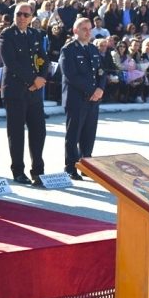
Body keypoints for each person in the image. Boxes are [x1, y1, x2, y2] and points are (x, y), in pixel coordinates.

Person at [0, 1, 50, 186]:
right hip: (15, 90)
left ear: (31, 18)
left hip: (34, 91)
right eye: (19, 14)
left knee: (39, 131)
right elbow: (11, 62)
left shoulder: (35, 34)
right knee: (16, 132)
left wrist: (41, 79)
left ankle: (38, 171)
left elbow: (43, 59)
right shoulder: (7, 35)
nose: (21, 18)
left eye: (26, 15)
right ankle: (18, 171)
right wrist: (32, 80)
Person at [59, 18, 106, 180]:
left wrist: (100, 89)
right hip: (76, 99)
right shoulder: (68, 50)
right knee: (74, 134)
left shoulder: (93, 49)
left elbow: (101, 71)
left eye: (89, 29)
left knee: (89, 133)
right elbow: (71, 75)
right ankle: (70, 166)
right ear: (75, 31)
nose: (88, 32)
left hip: (93, 99)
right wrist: (92, 90)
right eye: (84, 28)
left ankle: (86, 164)